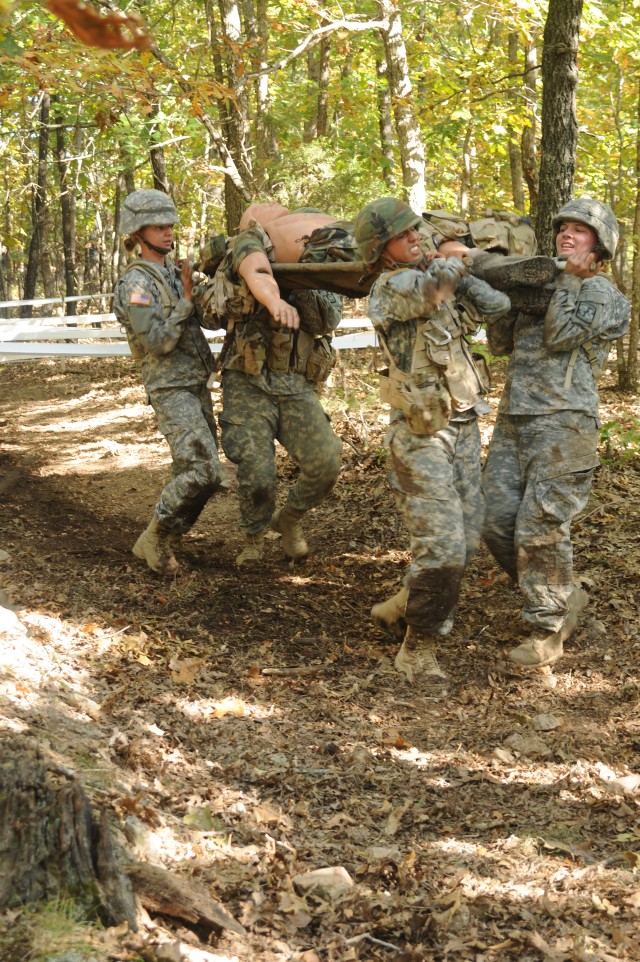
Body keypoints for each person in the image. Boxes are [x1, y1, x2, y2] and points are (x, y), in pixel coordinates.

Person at [354, 197, 511, 686]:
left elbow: (498, 306)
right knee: (442, 546)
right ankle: (417, 649)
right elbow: (433, 288)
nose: (415, 239)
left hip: (461, 427)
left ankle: (400, 608)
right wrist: (451, 261)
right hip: (420, 437)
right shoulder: (391, 287)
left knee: (464, 539)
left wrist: (464, 266)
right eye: (404, 237)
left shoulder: (434, 274)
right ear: (382, 251)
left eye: (416, 231)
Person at [482, 197, 630, 668]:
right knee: (494, 518)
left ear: (600, 245)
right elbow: (502, 343)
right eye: (563, 227)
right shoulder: (546, 288)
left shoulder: (603, 294)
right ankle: (558, 595)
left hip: (565, 423)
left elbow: (561, 336)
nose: (567, 235)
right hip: (514, 419)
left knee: (540, 526)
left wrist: (565, 280)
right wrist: (504, 297)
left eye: (580, 230)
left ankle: (548, 628)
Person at [195, 210, 343, 566]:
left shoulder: (313, 268)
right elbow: (208, 313)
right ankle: (253, 538)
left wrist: (297, 287)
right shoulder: (236, 265)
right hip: (248, 383)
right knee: (258, 474)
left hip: (296, 385)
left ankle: (289, 519)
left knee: (326, 462)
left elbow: (330, 318)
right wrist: (251, 294)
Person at [113, 189, 225, 575]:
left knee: (196, 474)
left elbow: (207, 320)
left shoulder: (173, 274)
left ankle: (169, 539)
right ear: (138, 232)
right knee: (204, 470)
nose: (167, 232)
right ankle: (155, 537)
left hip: (194, 381)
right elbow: (157, 341)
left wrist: (209, 291)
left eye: (169, 225)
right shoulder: (137, 285)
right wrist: (187, 302)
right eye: (158, 226)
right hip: (169, 386)